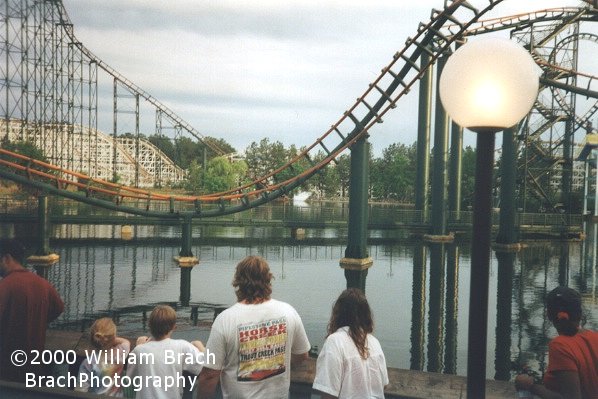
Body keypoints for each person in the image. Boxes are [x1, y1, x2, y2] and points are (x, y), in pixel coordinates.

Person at [197, 255, 311, 399]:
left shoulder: (225, 320)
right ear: (268, 279)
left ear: (238, 282)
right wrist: (274, 361)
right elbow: (302, 355)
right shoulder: (288, 312)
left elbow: (209, 376)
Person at [515, 286, 598, 399]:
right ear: (580, 314)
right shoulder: (595, 337)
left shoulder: (560, 345)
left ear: (548, 315)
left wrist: (531, 386)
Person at [0, 238, 64, 383]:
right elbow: (58, 307)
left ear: (6, 258)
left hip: (7, 371)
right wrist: (38, 320)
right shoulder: (43, 284)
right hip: (35, 367)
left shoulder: (4, 286)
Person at [312, 288, 389, 399]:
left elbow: (328, 392)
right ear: (366, 315)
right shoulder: (374, 342)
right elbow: (384, 384)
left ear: (337, 314)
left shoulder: (334, 342)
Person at [126, 305, 205, 399]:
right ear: (174, 327)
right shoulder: (183, 346)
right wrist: (199, 345)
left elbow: (130, 379)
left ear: (149, 325)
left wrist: (139, 345)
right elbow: (207, 365)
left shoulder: (139, 351)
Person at [74, 317, 130, 396]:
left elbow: (80, 390)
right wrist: (111, 339)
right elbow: (126, 342)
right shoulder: (120, 352)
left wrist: (107, 338)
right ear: (113, 337)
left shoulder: (88, 363)